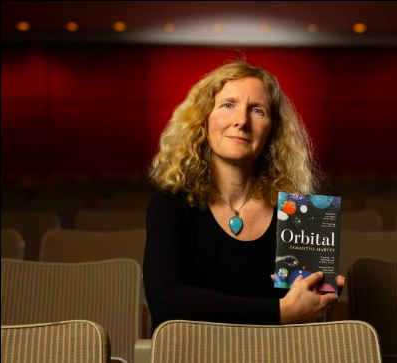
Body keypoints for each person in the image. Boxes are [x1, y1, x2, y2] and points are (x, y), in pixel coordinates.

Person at [143, 59, 344, 329]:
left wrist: (319, 291)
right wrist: (278, 311)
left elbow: (304, 312)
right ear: (203, 120)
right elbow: (165, 301)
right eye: (228, 105)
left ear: (272, 130)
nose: (241, 121)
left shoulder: (302, 213)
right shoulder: (169, 205)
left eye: (257, 111)